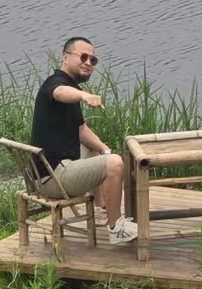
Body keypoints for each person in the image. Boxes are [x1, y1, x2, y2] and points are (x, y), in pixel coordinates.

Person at [30, 36, 136, 243]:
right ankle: (116, 228)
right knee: (115, 164)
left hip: (53, 169)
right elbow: (59, 92)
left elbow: (81, 131)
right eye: (84, 57)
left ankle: (100, 208)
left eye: (93, 60)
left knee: (101, 152)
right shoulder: (56, 84)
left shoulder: (71, 86)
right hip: (53, 178)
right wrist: (84, 96)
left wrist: (106, 150)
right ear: (65, 57)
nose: (88, 63)